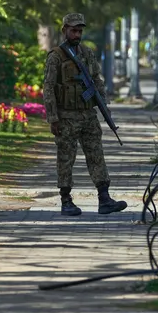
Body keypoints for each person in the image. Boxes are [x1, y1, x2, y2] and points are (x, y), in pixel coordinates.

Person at [42, 13, 128, 217]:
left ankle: (104, 198)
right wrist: (53, 118)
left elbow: (97, 80)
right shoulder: (56, 56)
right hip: (66, 116)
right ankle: (66, 200)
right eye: (73, 30)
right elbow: (48, 88)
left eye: (80, 30)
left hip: (88, 115)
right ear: (64, 30)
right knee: (65, 158)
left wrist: (103, 105)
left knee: (96, 155)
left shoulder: (87, 53)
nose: (77, 34)